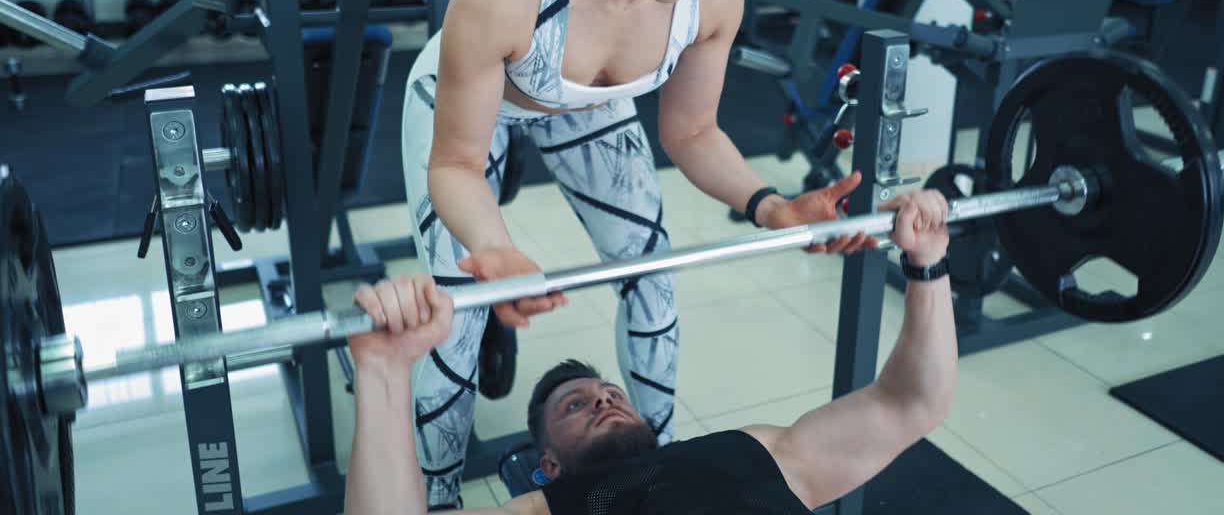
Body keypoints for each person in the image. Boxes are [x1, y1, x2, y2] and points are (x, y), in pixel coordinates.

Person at [400, 0, 868, 507]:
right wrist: (496, 248)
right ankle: (438, 500)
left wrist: (771, 205)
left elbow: (693, 132)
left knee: (652, 273)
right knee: (457, 313)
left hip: (588, 104)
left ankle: (658, 474)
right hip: (464, 106)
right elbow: (456, 165)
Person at [345, 188, 956, 513]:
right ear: (548, 464)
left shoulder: (757, 453)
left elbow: (911, 404)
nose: (603, 400)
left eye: (610, 394)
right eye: (576, 406)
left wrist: (928, 264)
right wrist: (383, 370)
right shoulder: (547, 508)